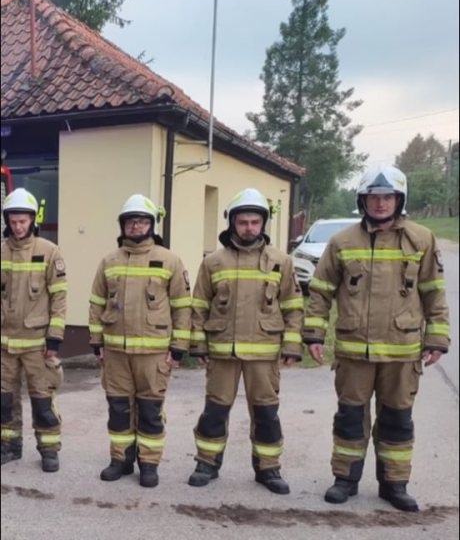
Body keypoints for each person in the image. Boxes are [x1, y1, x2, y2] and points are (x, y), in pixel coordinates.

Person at [303, 165, 450, 512]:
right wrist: (314, 333)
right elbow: (320, 291)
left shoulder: (421, 239)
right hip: (354, 351)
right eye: (373, 197)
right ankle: (345, 480)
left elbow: (434, 292)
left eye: (387, 197)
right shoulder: (342, 242)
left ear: (399, 200)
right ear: (362, 201)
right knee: (350, 418)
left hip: (402, 351)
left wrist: (437, 338)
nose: (380, 203)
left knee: (397, 420)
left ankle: (394, 484)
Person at [188, 188, 304, 494]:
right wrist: (198, 344)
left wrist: (292, 345)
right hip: (222, 351)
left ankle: (269, 468)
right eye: (243, 222)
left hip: (265, 353)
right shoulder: (213, 262)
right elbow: (198, 306)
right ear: (232, 223)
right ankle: (207, 463)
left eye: (254, 222)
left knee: (266, 413)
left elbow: (293, 306)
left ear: (263, 223)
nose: (249, 228)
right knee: (215, 411)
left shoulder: (281, 261)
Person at [89, 194, 191, 488]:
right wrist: (97, 342)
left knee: (149, 410)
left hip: (153, 352)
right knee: (118, 409)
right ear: (122, 225)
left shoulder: (170, 260)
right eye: (131, 221)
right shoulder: (109, 261)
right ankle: (120, 460)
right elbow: (96, 303)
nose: (136, 226)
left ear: (151, 225)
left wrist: (178, 348)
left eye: (142, 221)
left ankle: (149, 464)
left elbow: (182, 307)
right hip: (116, 352)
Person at [1, 188, 66, 472]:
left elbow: (59, 297)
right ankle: (9, 446)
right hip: (4, 343)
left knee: (42, 400)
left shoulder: (49, 251)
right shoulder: (1, 250)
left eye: (22, 221)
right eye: (13, 221)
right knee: (4, 401)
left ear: (32, 220)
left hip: (37, 344)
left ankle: (49, 450)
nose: (17, 227)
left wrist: (55, 338)